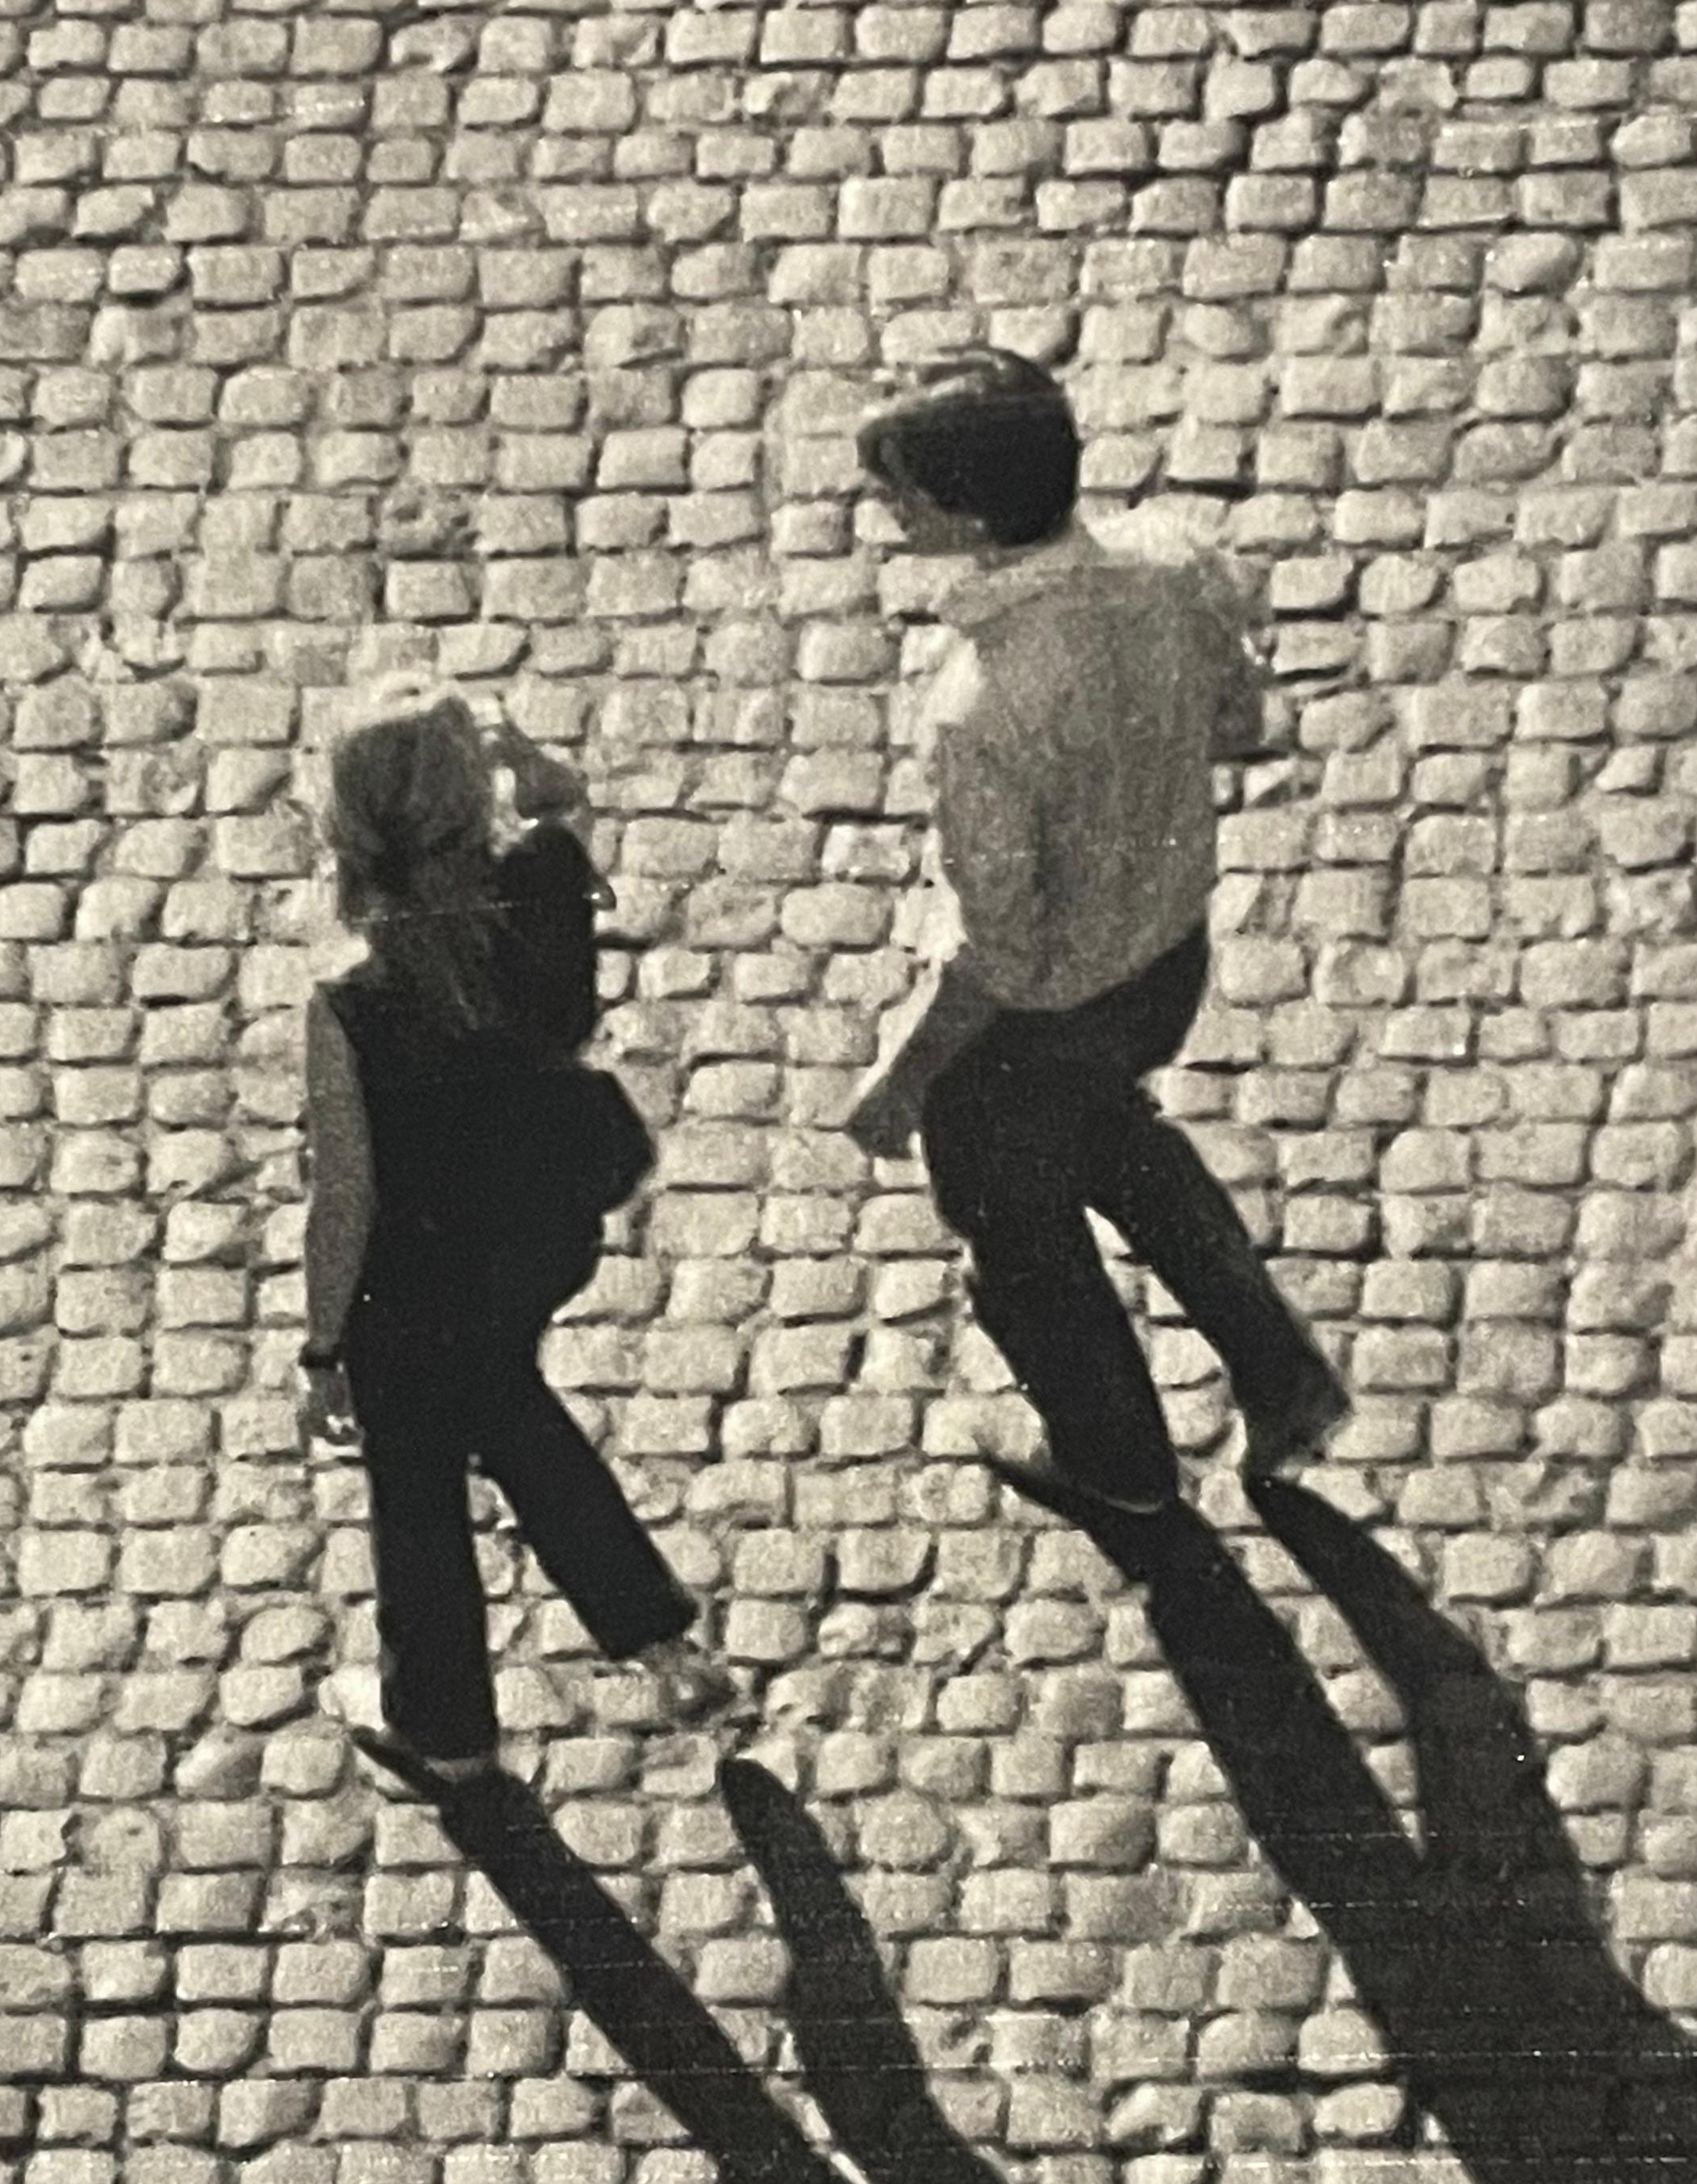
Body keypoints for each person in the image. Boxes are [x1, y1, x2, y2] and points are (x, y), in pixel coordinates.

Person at [845, 349, 1353, 1522]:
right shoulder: (1170, 564)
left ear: (964, 513)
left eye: (898, 496)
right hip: (1160, 961)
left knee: (1019, 1231)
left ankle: (1113, 1458)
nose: (883, 513)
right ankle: (1280, 1377)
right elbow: (1241, 720)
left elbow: (999, 952)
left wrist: (900, 1078)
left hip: (1039, 1015)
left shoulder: (979, 707)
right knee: (1120, 1143)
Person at [299, 678, 742, 1787]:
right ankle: (660, 1640)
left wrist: (320, 1351)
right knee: (507, 1402)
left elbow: (342, 1200)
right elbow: (563, 801)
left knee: (417, 1493)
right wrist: (514, 756)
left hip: (415, 1282)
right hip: (534, 1235)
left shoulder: (352, 1002)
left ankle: (442, 1723)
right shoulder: (540, 888)